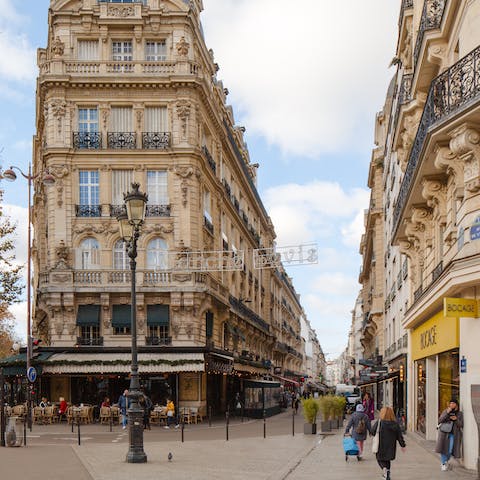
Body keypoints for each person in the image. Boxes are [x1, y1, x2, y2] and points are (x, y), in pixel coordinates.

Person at [371, 406, 406, 480]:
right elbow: (399, 436)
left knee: (380, 459)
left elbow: (372, 431)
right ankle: (387, 473)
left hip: (380, 445)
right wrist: (403, 445)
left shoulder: (379, 423)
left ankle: (384, 470)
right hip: (391, 446)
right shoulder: (395, 424)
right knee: (387, 460)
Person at [435, 398, 463, 471]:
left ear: (456, 405)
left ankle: (446, 461)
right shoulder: (446, 411)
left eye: (453, 403)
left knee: (450, 450)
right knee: (443, 449)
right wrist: (447, 413)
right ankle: (443, 463)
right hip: (444, 433)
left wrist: (456, 419)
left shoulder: (460, 414)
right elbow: (440, 420)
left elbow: (461, 425)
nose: (451, 405)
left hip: (454, 434)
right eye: (450, 403)